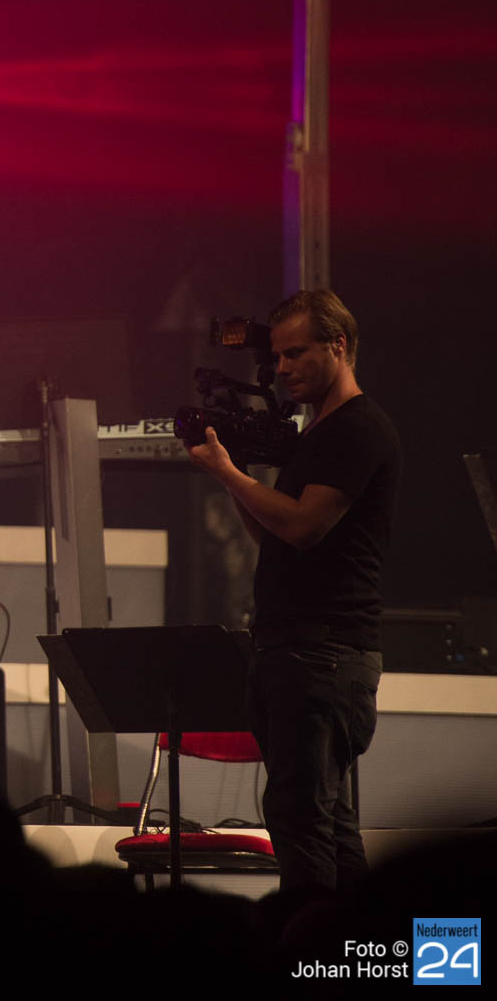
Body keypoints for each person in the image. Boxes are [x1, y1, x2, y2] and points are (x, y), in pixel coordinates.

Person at [187, 288, 399, 895]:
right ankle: (352, 940)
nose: (281, 368)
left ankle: (313, 944)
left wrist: (228, 472)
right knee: (327, 826)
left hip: (321, 654)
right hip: (302, 653)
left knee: (300, 820)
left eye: (296, 353)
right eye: (277, 355)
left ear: (338, 346)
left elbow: (304, 527)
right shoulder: (320, 433)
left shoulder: (356, 429)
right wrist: (232, 476)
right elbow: (274, 532)